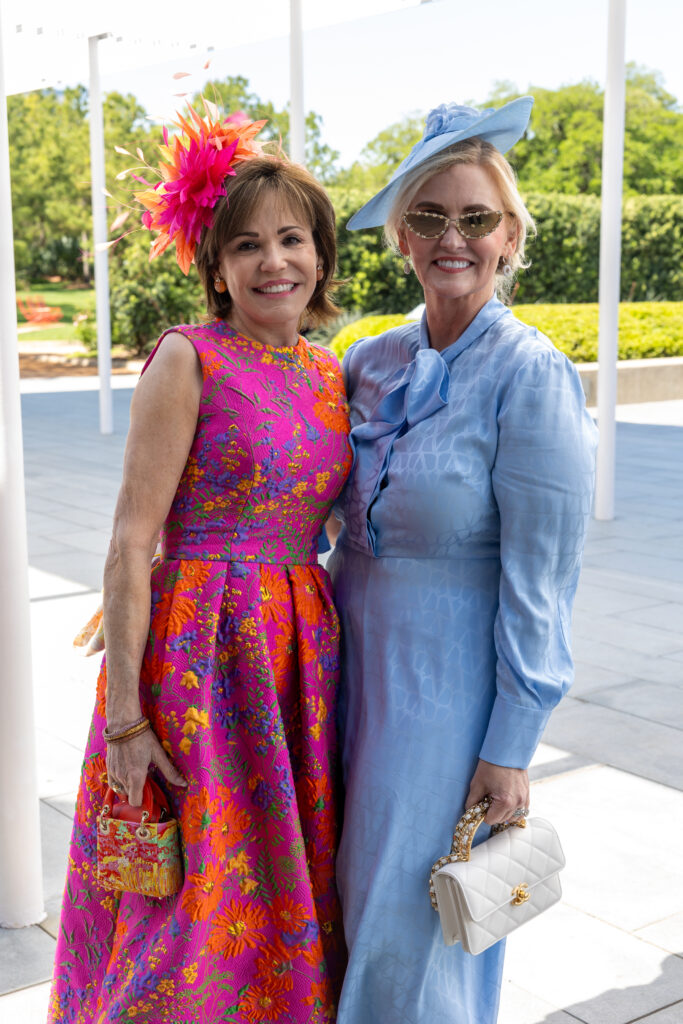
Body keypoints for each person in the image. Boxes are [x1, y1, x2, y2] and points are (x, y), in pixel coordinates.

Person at [48, 103, 351, 1024]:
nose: (274, 263)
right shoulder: (188, 358)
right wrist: (130, 720)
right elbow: (131, 539)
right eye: (248, 245)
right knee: (185, 896)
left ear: (321, 255)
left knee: (276, 883)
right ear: (215, 266)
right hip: (198, 651)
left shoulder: (333, 370)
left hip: (300, 652)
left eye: (292, 239)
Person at [327, 97, 598, 1023]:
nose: (453, 238)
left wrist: (510, 746)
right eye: (431, 217)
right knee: (339, 907)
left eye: (475, 218)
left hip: (442, 701)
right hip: (338, 678)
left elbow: (543, 579)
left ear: (509, 233)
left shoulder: (531, 373)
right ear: (401, 234)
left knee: (412, 928)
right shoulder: (367, 360)